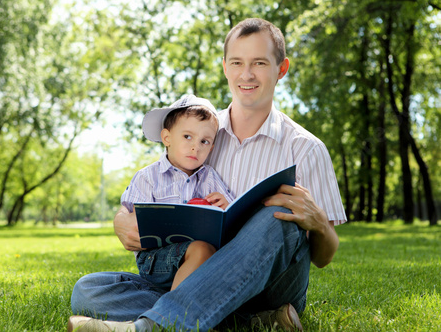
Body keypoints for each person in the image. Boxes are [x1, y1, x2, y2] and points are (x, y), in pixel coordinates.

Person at [68, 17, 347, 332]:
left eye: (259, 63)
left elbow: (325, 257)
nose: (247, 74)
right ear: (225, 67)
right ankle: (246, 323)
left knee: (279, 212)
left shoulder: (306, 149)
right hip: (197, 276)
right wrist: (122, 219)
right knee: (89, 290)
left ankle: (153, 327)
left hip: (270, 288)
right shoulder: (201, 134)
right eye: (237, 63)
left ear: (281, 69)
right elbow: (156, 186)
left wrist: (319, 223)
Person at [120, 94, 234, 292]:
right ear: (167, 137)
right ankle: (173, 314)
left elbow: (232, 219)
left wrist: (226, 205)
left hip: (200, 259)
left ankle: (169, 303)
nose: (195, 147)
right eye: (187, 136)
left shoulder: (210, 177)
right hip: (154, 259)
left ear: (212, 148)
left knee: (205, 251)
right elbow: (129, 218)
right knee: (200, 249)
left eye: (204, 141)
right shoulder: (148, 177)